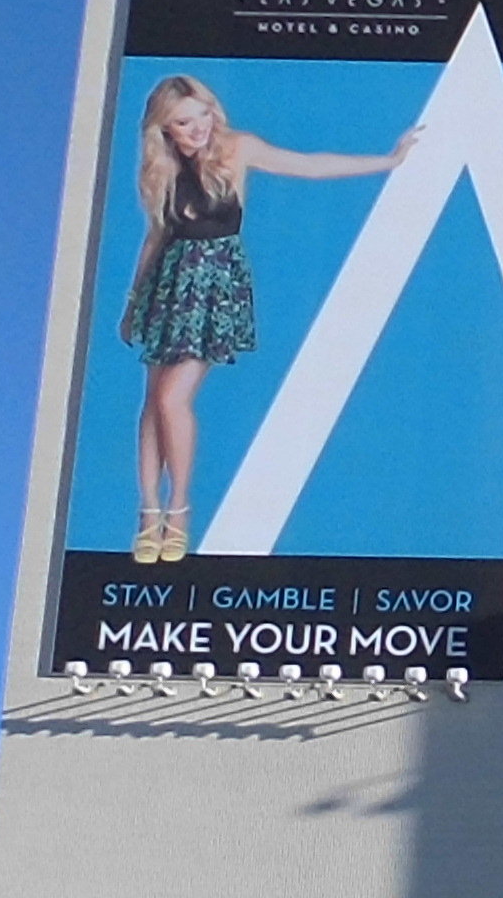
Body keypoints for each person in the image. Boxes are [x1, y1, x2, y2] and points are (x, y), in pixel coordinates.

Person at [114, 75, 414, 562]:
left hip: (215, 289)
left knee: (173, 398)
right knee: (153, 402)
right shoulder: (163, 170)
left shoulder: (237, 148)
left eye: (202, 116)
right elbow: (155, 237)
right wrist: (132, 303)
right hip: (167, 288)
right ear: (165, 131)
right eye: (182, 124)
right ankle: (147, 512)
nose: (196, 131)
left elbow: (310, 166)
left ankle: (179, 509)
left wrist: (388, 161)